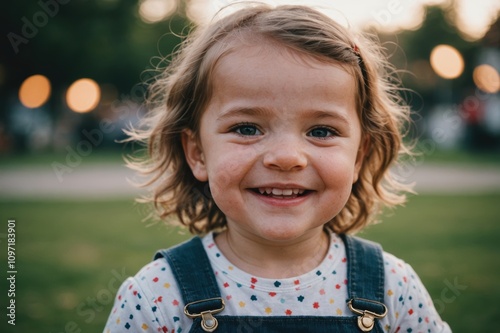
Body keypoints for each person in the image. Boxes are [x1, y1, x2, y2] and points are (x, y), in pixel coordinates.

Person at [104, 4, 451, 333]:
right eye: (247, 128)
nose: (286, 157)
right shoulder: (156, 296)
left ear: (359, 156)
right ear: (197, 154)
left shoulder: (393, 288)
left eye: (321, 131)